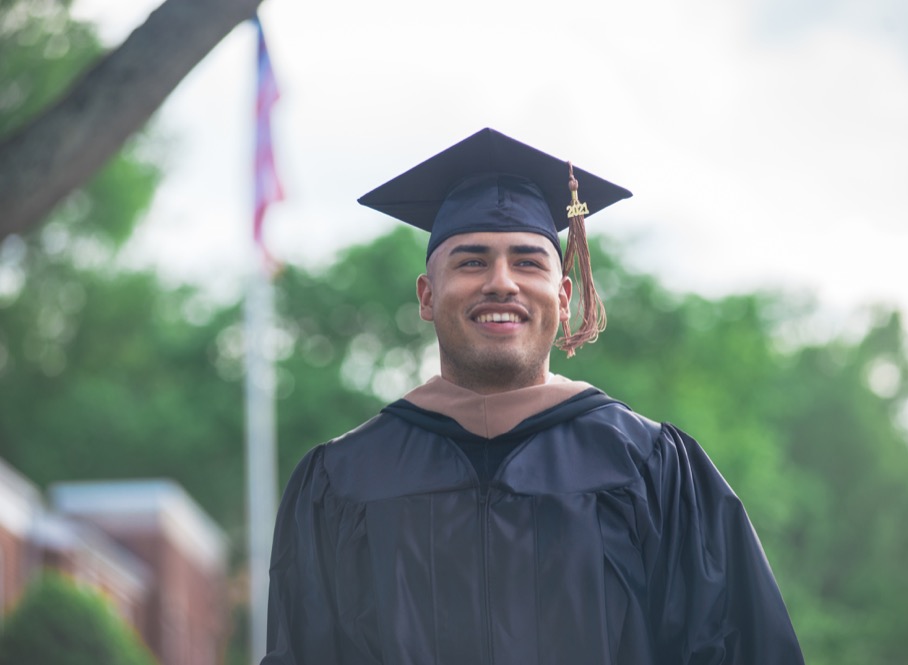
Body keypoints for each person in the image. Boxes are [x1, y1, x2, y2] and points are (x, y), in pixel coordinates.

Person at [262, 128, 805, 665]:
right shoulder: (343, 480)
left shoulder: (650, 468)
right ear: (427, 296)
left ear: (563, 297)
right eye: (471, 262)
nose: (501, 282)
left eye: (528, 262)